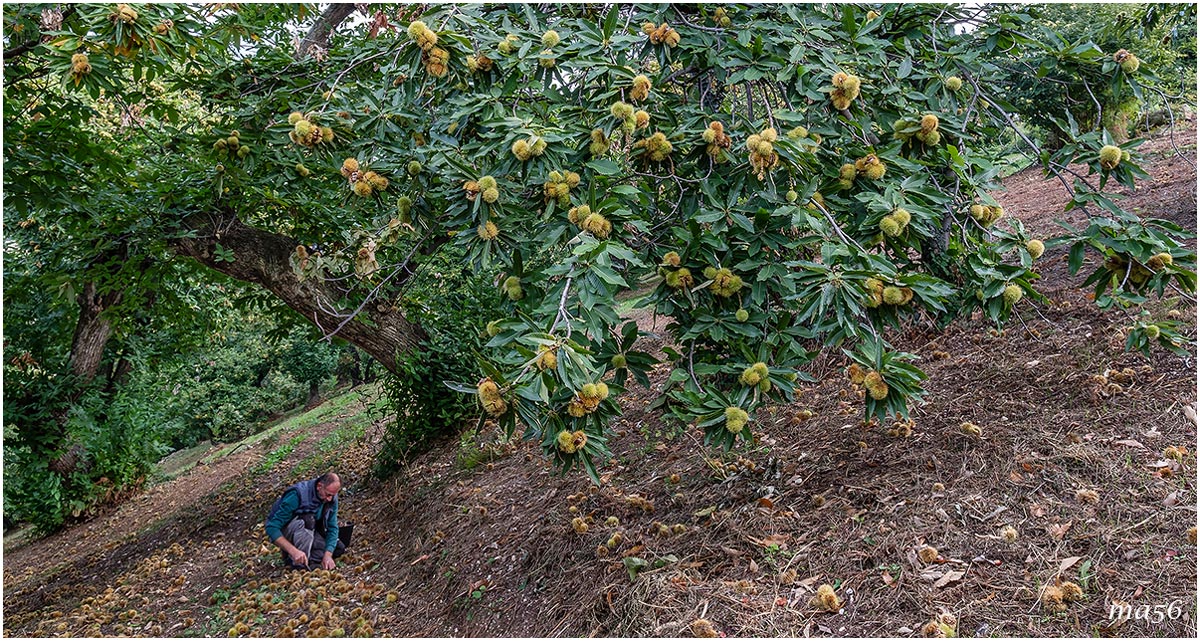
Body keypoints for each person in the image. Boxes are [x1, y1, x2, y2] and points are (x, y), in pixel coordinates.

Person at [264, 471, 346, 570]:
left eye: (332, 495)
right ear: (319, 486)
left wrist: (328, 555)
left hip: (311, 531)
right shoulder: (296, 495)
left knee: (337, 548)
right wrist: (293, 551)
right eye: (328, 494)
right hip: (289, 529)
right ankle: (298, 563)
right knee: (308, 520)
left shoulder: (331, 497)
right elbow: (271, 527)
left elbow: (332, 527)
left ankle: (305, 557)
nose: (329, 499)